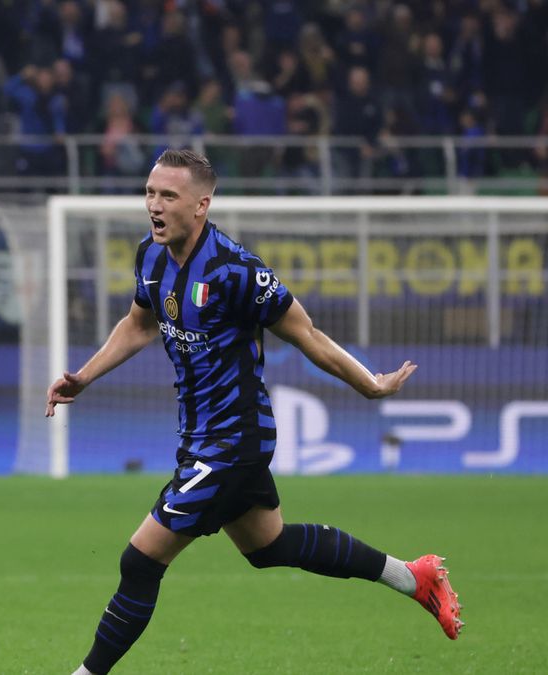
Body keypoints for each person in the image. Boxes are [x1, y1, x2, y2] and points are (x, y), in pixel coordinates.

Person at [45, 150, 462, 675]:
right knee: (270, 546)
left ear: (201, 205)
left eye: (168, 196)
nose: (154, 205)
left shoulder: (235, 270)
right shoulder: (149, 258)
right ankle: (413, 576)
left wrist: (370, 385)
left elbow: (306, 333)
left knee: (140, 560)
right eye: (150, 193)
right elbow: (139, 325)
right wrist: (83, 376)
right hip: (199, 438)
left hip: (234, 441)